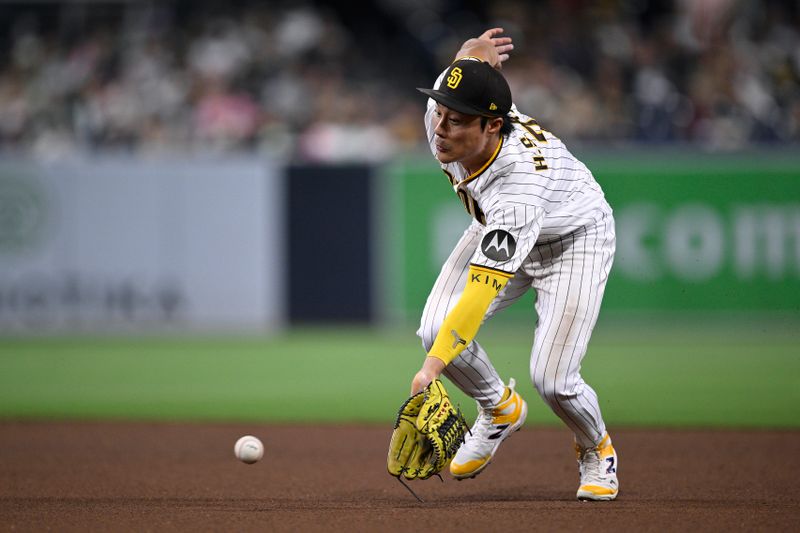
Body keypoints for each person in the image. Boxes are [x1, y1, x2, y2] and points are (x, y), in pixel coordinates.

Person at [411, 28, 619, 501]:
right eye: (440, 112)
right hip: (499, 228)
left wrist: (430, 370)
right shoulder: (445, 112)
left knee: (554, 379)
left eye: (456, 120)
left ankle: (596, 448)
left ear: (491, 126)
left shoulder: (517, 188)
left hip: (572, 238)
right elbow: (465, 64)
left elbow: (479, 294)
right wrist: (476, 50)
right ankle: (498, 407)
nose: (441, 128)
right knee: (434, 326)